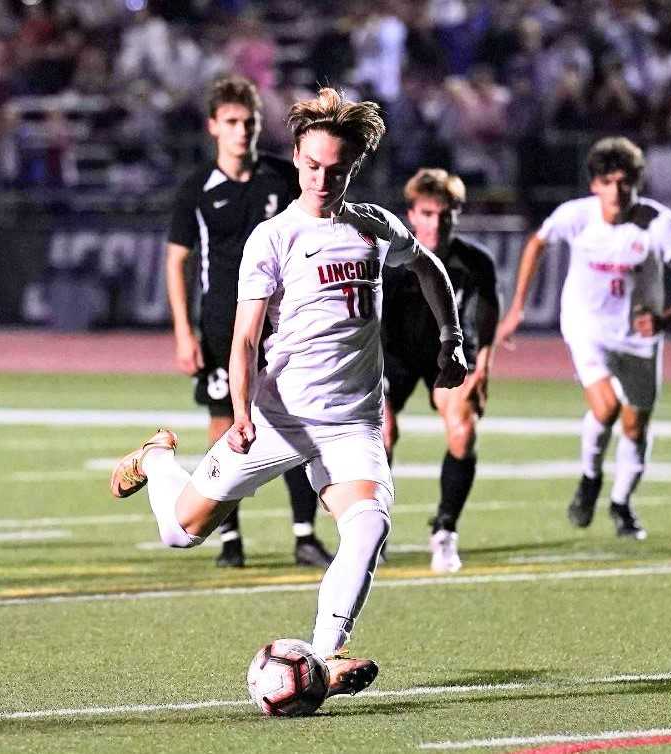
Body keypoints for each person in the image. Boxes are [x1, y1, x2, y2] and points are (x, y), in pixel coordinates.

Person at [111, 87, 466, 695]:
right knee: (180, 531)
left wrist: (451, 338)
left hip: (351, 424)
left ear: (355, 167)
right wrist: (242, 411)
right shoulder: (272, 238)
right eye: (311, 165)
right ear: (296, 157)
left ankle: (324, 659)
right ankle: (157, 456)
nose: (323, 179)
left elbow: (429, 268)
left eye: (338, 168)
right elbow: (245, 337)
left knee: (369, 525)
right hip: (279, 415)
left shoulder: (374, 226)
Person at [496, 136, 671, 539]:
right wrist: (518, 307)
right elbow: (536, 242)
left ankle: (621, 503)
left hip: (639, 337)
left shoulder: (660, 225)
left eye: (625, 181)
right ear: (594, 185)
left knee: (635, 427)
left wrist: (664, 320)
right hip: (586, 326)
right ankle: (590, 477)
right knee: (607, 406)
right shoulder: (576, 216)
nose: (618, 190)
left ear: (636, 183)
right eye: (609, 181)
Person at [166, 75, 333, 569]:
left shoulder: (282, 177)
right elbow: (177, 259)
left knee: (294, 423)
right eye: (233, 122)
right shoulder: (196, 189)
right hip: (222, 325)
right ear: (213, 126)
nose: (242, 131)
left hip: (282, 324)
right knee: (226, 430)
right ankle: (229, 540)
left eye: (250, 122)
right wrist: (182, 330)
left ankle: (304, 535)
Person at [381, 168, 499, 573]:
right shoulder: (389, 261)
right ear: (412, 214)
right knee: (381, 433)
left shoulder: (475, 262)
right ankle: (372, 527)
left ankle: (445, 530)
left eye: (445, 214)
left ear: (458, 214)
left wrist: (483, 367)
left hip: (447, 355)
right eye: (428, 214)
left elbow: (487, 316)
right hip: (390, 356)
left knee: (463, 430)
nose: (436, 223)